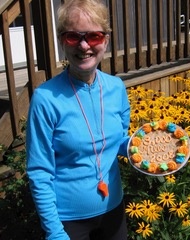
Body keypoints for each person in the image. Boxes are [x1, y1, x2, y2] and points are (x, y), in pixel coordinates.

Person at [26, 0, 130, 239]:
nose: (84, 45)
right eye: (73, 36)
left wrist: (147, 147)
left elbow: (118, 142)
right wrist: (54, 232)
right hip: (68, 223)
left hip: (114, 210)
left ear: (106, 40)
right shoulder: (46, 98)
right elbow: (40, 171)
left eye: (94, 36)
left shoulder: (116, 88)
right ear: (63, 41)